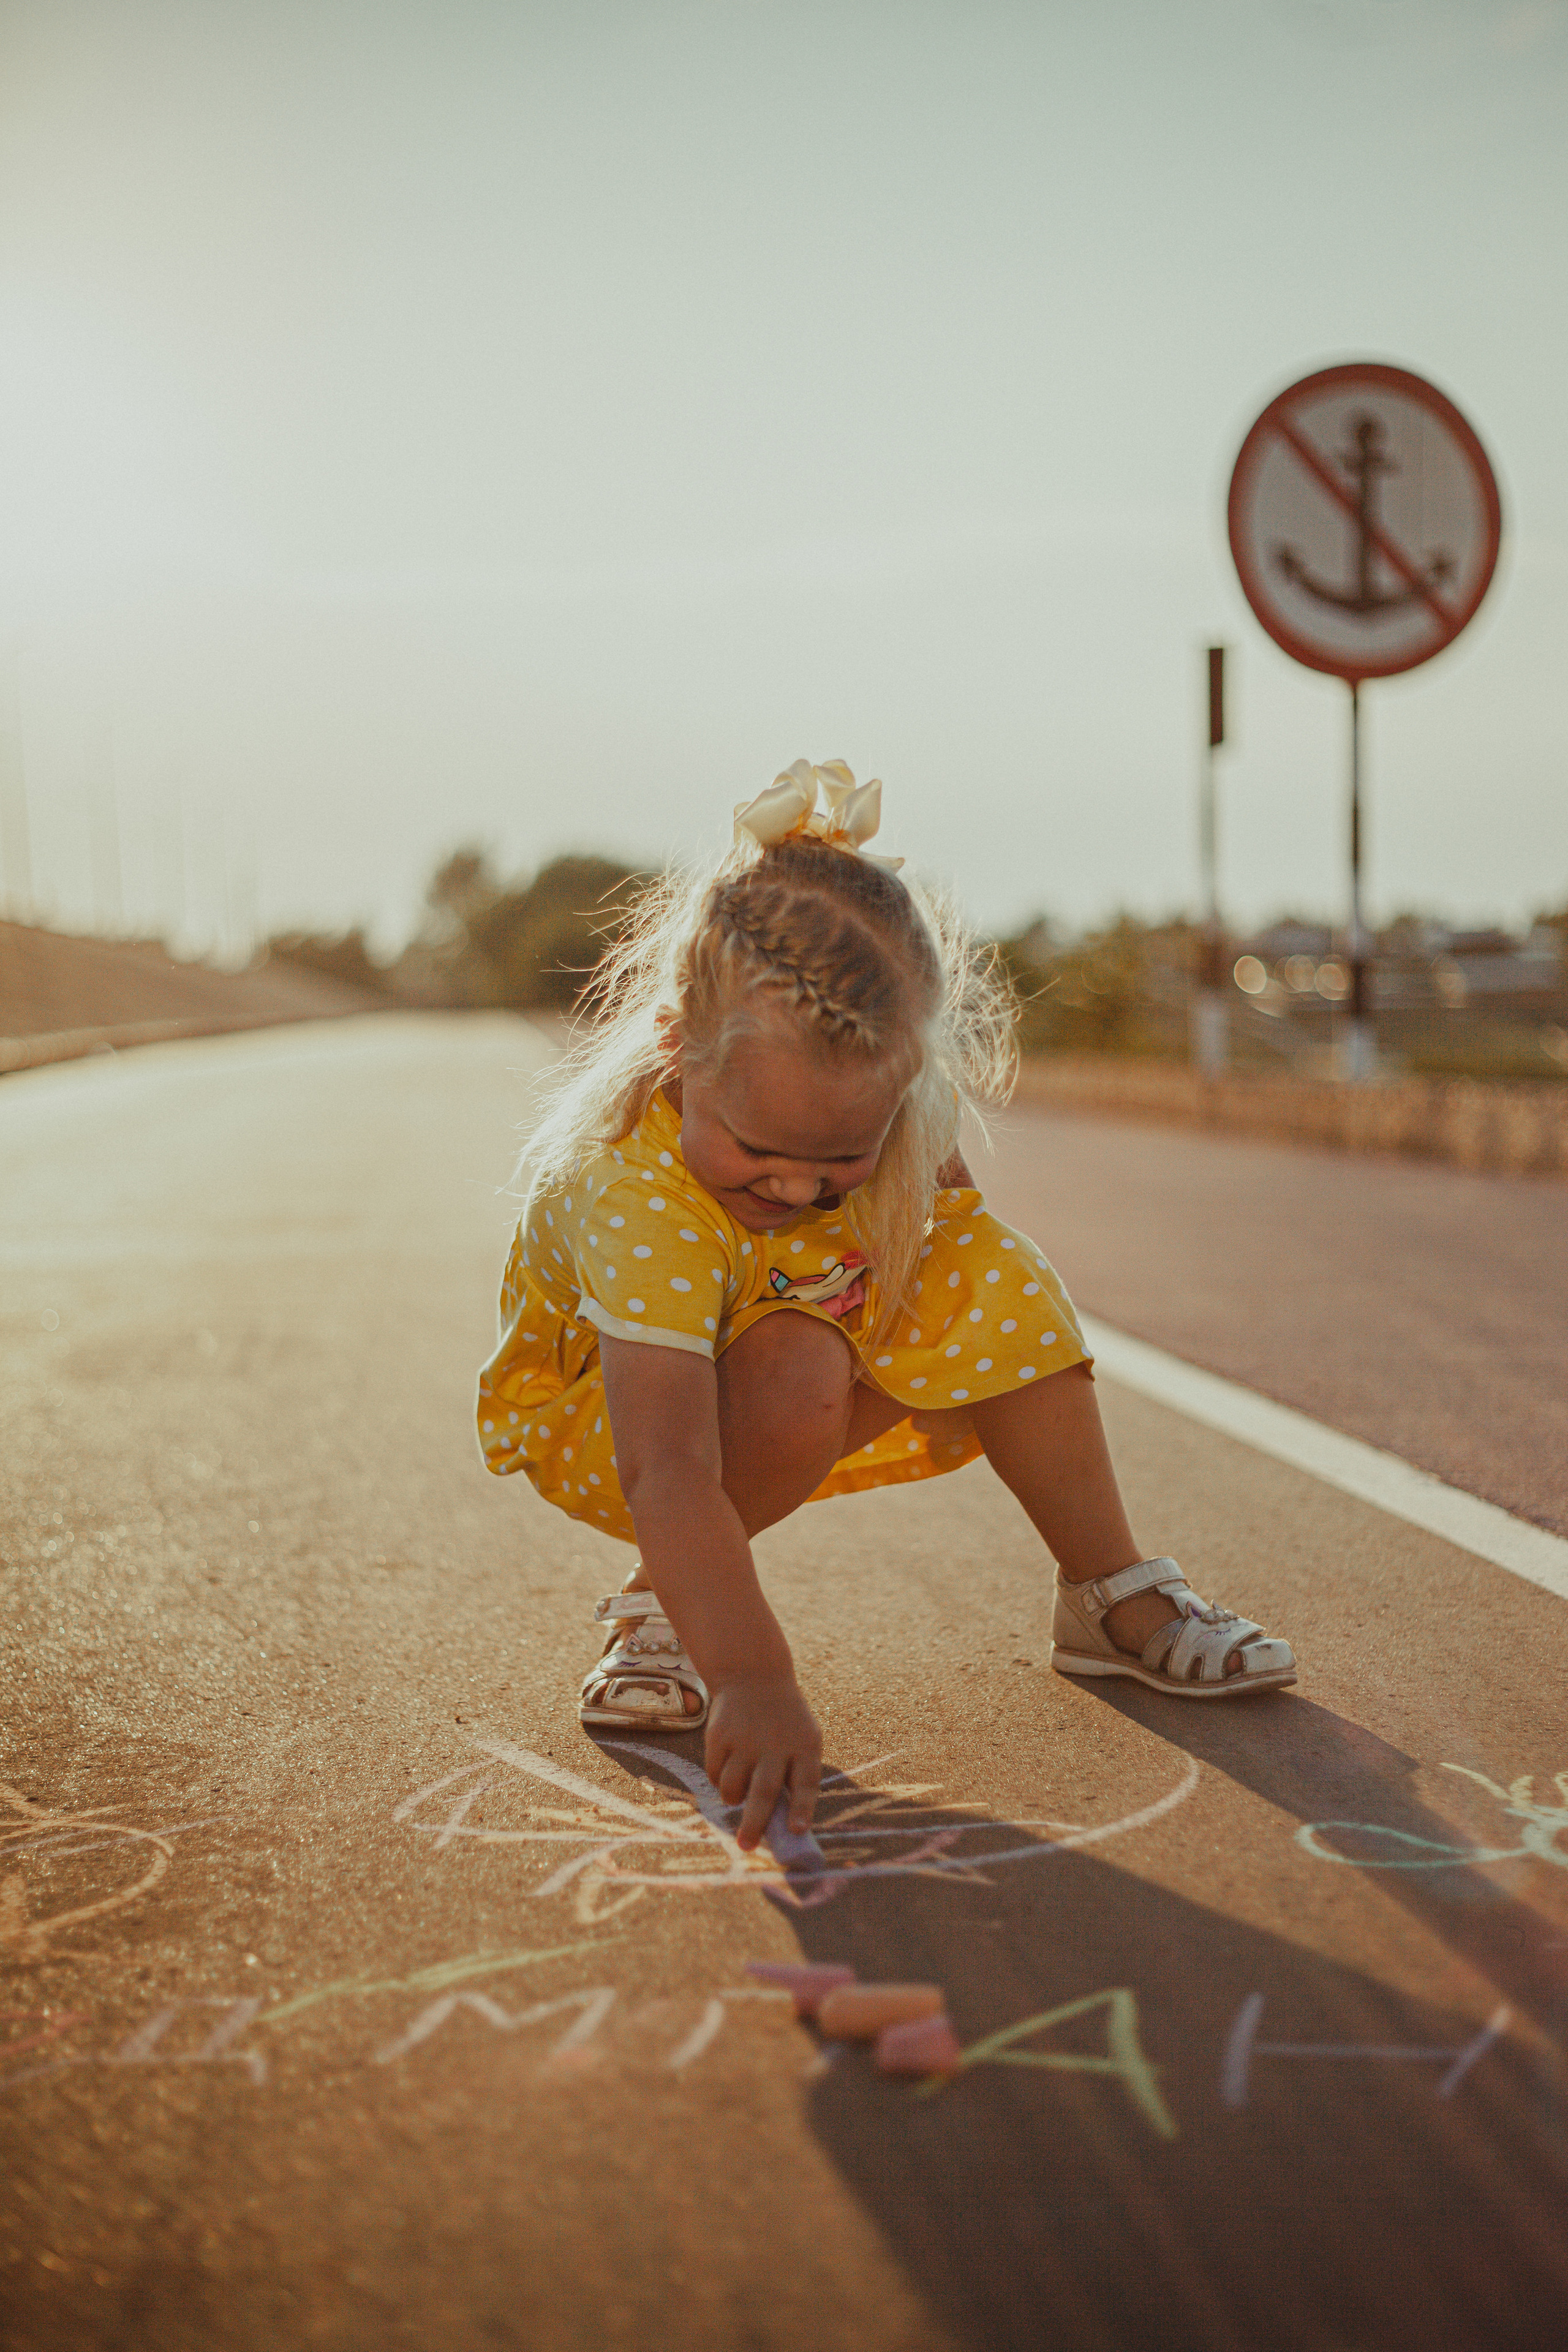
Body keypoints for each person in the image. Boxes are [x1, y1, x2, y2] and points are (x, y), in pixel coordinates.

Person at [477, 761, 1296, 1851]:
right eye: (758, 1150)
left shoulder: (887, 1096)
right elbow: (663, 1465)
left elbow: (964, 1272)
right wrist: (753, 1673)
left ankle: (1108, 1592)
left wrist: (969, 1333)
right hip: (609, 1425)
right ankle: (674, 1610)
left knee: (993, 1273)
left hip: (787, 1331)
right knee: (798, 1366)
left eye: (841, 1159)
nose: (798, 1189)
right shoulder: (639, 1203)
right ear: (680, 1050)